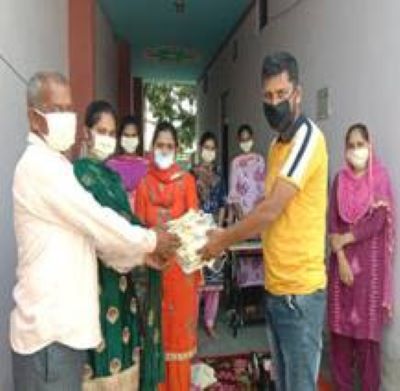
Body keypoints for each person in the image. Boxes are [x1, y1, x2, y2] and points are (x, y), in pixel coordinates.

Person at [10, 72, 179, 391]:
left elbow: (97, 240)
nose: (66, 118)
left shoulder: (57, 166)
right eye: (56, 109)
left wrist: (143, 256)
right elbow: (99, 221)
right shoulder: (41, 168)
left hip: (64, 334)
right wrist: (152, 240)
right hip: (49, 336)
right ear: (35, 117)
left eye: (68, 108)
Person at [200, 52, 328, 391]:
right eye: (268, 96)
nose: (274, 103)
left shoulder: (309, 140)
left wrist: (222, 240)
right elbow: (267, 202)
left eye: (281, 95)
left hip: (299, 295)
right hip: (275, 288)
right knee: (281, 383)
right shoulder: (274, 147)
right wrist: (239, 215)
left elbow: (271, 210)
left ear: (297, 93)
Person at [73, 100, 154, 390]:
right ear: (87, 132)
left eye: (111, 131)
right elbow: (106, 226)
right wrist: (149, 241)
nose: (107, 137)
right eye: (101, 130)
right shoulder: (79, 174)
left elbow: (128, 221)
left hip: (123, 277)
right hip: (94, 277)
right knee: (100, 349)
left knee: (125, 343)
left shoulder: (113, 178)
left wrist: (150, 237)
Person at [328, 123, 394, 391]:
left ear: (369, 146)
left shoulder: (379, 178)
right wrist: (341, 258)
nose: (356, 151)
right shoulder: (339, 180)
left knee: (367, 340)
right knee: (340, 335)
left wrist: (346, 238)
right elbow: (332, 222)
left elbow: (378, 222)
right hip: (340, 267)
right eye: (351, 145)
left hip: (370, 271)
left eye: (360, 145)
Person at [135, 121, 200, 391]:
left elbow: (195, 229)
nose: (164, 150)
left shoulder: (187, 182)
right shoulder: (143, 184)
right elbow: (137, 231)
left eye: (169, 146)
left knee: (178, 342)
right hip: (152, 275)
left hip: (181, 274)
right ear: (151, 149)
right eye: (159, 145)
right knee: (154, 337)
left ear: (177, 149)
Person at [192, 132, 226, 338]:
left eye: (213, 148)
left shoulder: (219, 178)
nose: (209, 151)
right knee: (198, 281)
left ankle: (210, 321)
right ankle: (192, 322)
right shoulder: (191, 174)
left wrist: (220, 229)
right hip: (196, 233)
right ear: (200, 148)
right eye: (206, 147)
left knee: (214, 283)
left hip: (214, 232)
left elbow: (222, 203)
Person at [106, 115, 148, 210]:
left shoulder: (147, 167)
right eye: (126, 135)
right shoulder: (110, 166)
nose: (130, 139)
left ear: (139, 138)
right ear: (120, 137)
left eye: (133, 135)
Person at [227, 124, 265, 220]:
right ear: (239, 141)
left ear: (252, 138)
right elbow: (233, 193)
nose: (246, 142)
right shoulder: (235, 163)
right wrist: (242, 218)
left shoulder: (260, 160)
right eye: (243, 140)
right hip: (242, 214)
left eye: (248, 139)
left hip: (259, 213)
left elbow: (264, 188)